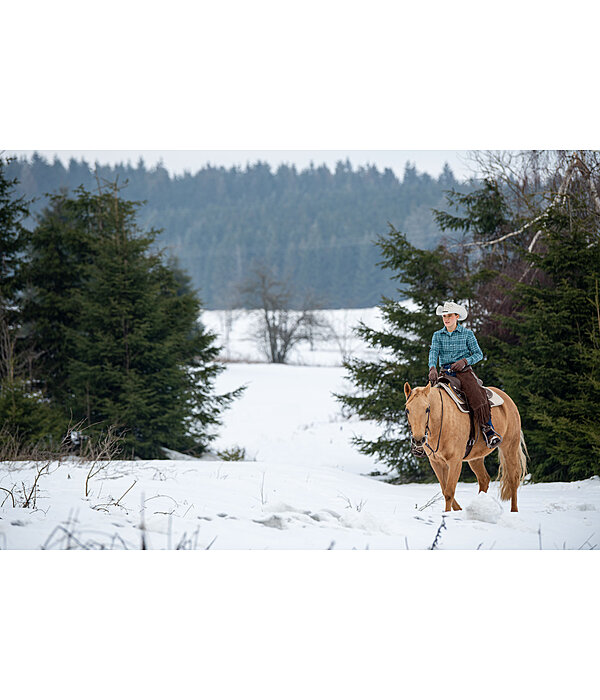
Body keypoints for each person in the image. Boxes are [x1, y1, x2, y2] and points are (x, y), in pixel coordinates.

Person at [428, 301, 502, 448]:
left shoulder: (467, 334)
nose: (446, 318)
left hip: (463, 371)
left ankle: (488, 429)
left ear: (457, 316)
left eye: (449, 315)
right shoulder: (437, 335)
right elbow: (433, 352)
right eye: (444, 316)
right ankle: (424, 439)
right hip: (445, 372)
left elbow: (478, 354)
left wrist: (465, 361)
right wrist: (432, 368)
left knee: (476, 393)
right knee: (427, 399)